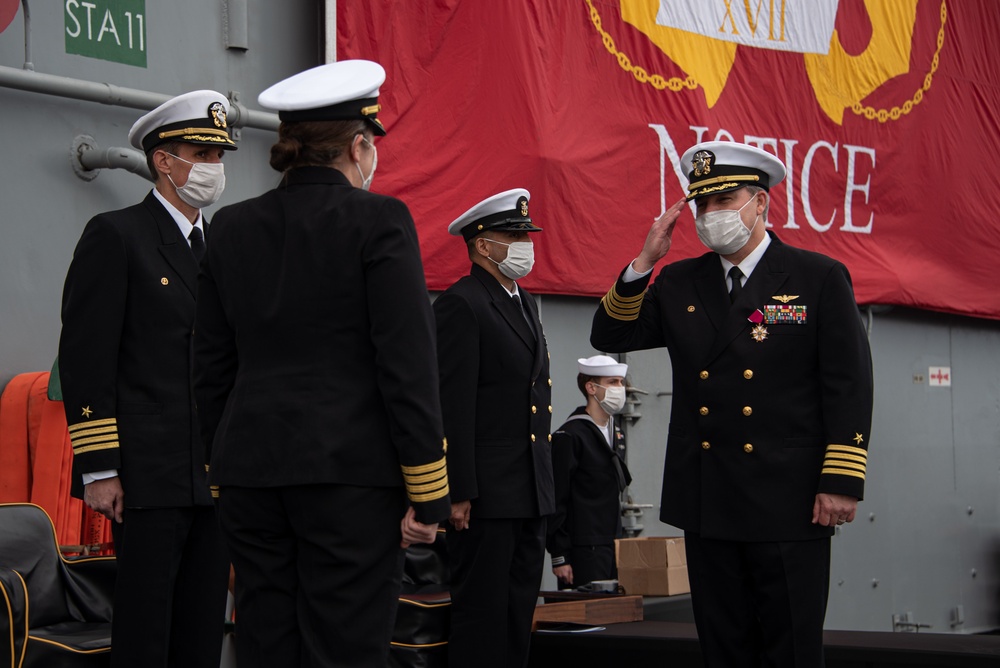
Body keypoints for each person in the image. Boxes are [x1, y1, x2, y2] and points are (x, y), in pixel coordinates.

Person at [192, 60, 449, 668]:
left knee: (266, 640)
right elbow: (406, 363)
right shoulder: (380, 222)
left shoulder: (229, 228)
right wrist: (428, 489)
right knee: (345, 645)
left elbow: (210, 366)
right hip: (350, 476)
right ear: (359, 146)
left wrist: (220, 466)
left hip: (252, 473)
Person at [591, 140, 873, 667]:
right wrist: (645, 260)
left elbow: (849, 385)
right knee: (725, 649)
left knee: (789, 647)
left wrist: (840, 482)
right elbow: (611, 330)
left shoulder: (816, 277)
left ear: (760, 203)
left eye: (724, 201)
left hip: (789, 500)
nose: (710, 215)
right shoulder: (681, 281)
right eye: (702, 204)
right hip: (709, 496)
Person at [58, 90, 237, 668]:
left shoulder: (227, 249)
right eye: (201, 156)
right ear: (164, 161)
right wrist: (100, 468)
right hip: (148, 475)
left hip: (215, 476)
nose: (214, 170)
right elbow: (87, 358)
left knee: (203, 627)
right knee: (145, 629)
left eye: (218, 157)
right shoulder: (117, 235)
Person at [434, 188, 554, 668]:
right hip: (485, 494)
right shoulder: (462, 303)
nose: (525, 245)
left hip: (528, 490)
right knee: (481, 617)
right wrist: (458, 488)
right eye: (513, 235)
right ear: (482, 245)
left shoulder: (522, 301)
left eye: (525, 234)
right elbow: (452, 403)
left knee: (516, 613)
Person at [547, 355, 632, 589]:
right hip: (582, 547)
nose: (619, 389)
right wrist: (560, 555)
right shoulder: (571, 436)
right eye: (613, 382)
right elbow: (556, 499)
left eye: (621, 383)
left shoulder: (616, 433)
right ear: (591, 387)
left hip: (612, 543)